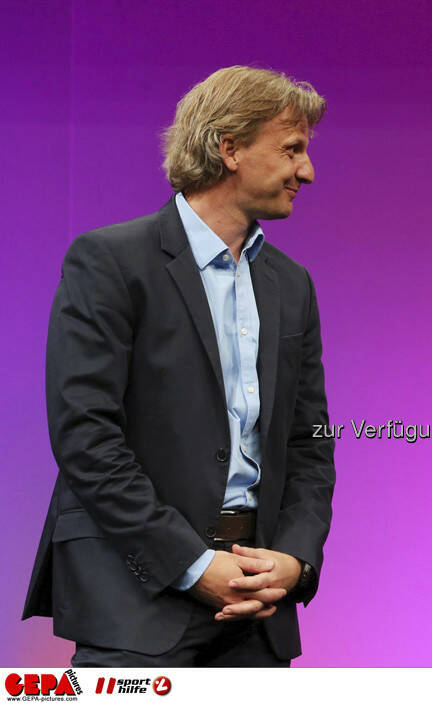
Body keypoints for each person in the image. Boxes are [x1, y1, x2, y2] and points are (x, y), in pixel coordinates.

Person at [22, 66, 336, 666]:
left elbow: (309, 443)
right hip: (137, 603)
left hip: (258, 611)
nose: (307, 171)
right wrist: (192, 565)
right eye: (292, 149)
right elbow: (86, 437)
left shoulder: (291, 284)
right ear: (230, 148)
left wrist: (294, 561)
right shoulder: (110, 260)